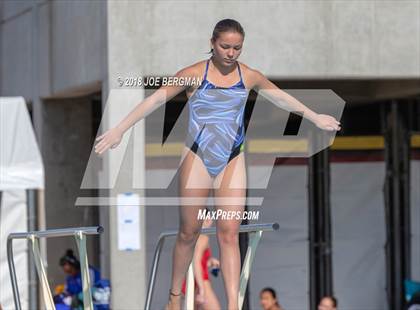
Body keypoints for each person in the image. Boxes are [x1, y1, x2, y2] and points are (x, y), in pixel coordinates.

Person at [95, 19, 340, 310]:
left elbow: (282, 99)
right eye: (225, 46)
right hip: (197, 156)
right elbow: (154, 100)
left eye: (237, 48)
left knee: (229, 232)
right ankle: (174, 295)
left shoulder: (248, 76)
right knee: (189, 231)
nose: (231, 53)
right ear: (212, 43)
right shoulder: (193, 75)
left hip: (232, 158)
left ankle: (233, 305)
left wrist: (315, 117)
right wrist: (119, 129)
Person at [181, 209, 221, 310]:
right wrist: (202, 288)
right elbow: (196, 262)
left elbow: (197, 260)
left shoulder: (195, 236)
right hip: (201, 281)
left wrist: (209, 261)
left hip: (193, 281)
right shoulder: (203, 237)